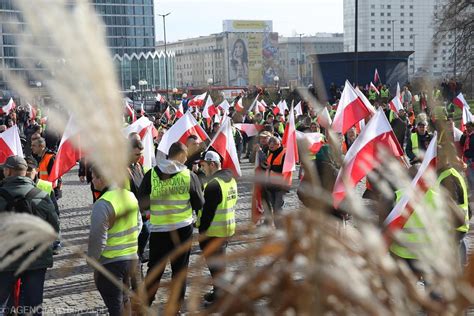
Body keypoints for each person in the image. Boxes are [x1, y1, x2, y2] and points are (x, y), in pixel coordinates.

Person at [138, 142, 204, 308]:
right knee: (180, 270)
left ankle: (146, 303)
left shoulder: (151, 174)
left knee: (155, 269)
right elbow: (199, 203)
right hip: (183, 230)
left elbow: (142, 203)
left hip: (159, 230)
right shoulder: (189, 176)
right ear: (181, 156)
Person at [0, 155, 59, 315]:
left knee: (2, 305)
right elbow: (54, 228)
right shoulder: (42, 195)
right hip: (36, 258)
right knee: (33, 306)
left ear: (8, 171)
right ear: (26, 172)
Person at [87, 166, 142, 316]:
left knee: (115, 306)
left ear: (103, 179)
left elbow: (98, 238)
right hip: (131, 259)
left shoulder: (103, 203)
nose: (92, 181)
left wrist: (92, 260)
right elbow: (139, 225)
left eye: (93, 177)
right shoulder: (130, 196)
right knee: (125, 300)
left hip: (110, 263)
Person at [196, 151, 237, 304]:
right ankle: (219, 291)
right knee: (220, 264)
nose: (202, 168)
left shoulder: (214, 184)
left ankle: (221, 298)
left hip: (213, 231)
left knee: (215, 266)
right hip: (227, 227)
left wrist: (202, 232)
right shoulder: (230, 179)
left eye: (204, 165)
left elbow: (208, 213)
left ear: (212, 164)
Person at [263, 136, 287, 225]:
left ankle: (280, 227)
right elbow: (267, 164)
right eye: (269, 145)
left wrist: (271, 167)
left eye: (272, 146)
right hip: (270, 185)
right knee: (274, 207)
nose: (270, 147)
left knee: (278, 208)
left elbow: (285, 169)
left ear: (278, 144)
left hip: (280, 185)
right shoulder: (271, 153)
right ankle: (278, 226)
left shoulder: (284, 153)